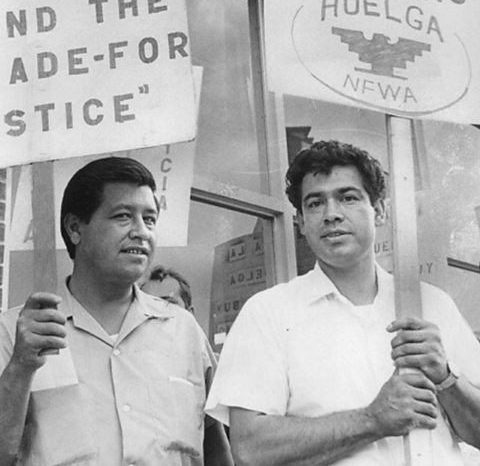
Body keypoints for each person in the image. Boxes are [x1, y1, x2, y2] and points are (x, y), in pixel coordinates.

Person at [206, 140, 480, 465]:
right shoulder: (268, 313)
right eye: (315, 203)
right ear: (300, 221)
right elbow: (250, 449)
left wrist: (446, 378)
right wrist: (372, 420)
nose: (331, 214)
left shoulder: (431, 305)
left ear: (379, 211)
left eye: (348, 198)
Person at [0, 156, 233, 466]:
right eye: (123, 216)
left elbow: (216, 449)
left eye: (150, 219)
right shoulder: (18, 334)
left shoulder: (184, 330)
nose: (141, 232)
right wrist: (20, 368)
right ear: (75, 228)